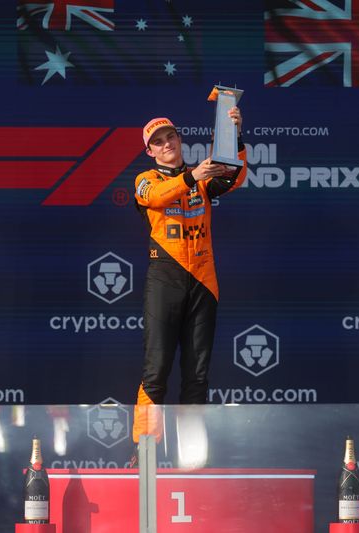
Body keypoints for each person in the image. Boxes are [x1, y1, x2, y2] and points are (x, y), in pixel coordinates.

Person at [132, 108, 247, 448]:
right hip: (164, 279)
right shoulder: (145, 179)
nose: (166, 144)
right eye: (158, 142)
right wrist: (192, 176)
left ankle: (192, 455)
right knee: (156, 371)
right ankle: (145, 450)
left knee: (197, 374)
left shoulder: (202, 177)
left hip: (203, 280)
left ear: (179, 139)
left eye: (170, 136)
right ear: (149, 151)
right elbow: (156, 197)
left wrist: (235, 135)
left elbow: (234, 178)